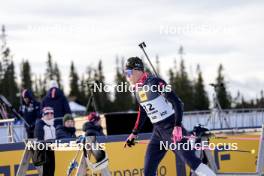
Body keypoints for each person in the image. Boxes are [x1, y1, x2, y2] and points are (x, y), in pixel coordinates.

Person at [124, 57, 216, 176]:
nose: (127, 76)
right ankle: (194, 141)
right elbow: (143, 111)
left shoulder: (156, 82)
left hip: (171, 127)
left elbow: (177, 103)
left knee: (192, 162)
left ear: (137, 70)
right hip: (158, 132)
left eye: (128, 73)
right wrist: (134, 133)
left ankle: (195, 142)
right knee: (148, 171)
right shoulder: (137, 89)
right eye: (125, 73)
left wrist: (177, 126)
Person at [34, 107, 56, 176]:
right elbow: (39, 141)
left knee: (52, 171)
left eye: (51, 113)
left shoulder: (52, 125)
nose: (50, 115)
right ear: (43, 115)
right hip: (43, 153)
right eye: (47, 113)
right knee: (46, 173)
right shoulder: (40, 125)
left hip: (51, 151)